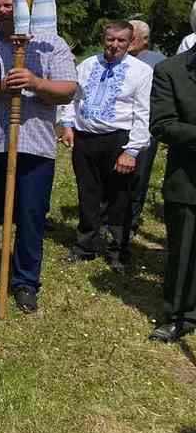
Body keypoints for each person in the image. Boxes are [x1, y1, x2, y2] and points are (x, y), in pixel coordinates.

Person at [0, 0, 78, 312]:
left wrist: (35, 83)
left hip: (35, 145)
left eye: (8, 4)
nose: (1, 10)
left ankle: (25, 282)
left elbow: (68, 89)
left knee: (30, 217)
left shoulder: (49, 44)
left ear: (24, 5)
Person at [60, 21, 152, 272]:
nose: (115, 45)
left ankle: (118, 251)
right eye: (110, 39)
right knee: (87, 192)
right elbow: (72, 97)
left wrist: (132, 151)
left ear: (131, 42)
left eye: (121, 40)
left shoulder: (141, 71)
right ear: (104, 39)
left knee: (120, 196)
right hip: (86, 138)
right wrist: (67, 125)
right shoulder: (88, 64)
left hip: (118, 139)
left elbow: (143, 114)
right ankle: (85, 246)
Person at [148, 46, 196, 341]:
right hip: (189, 181)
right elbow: (162, 125)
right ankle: (180, 314)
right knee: (185, 251)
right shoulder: (171, 71)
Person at [127, 19, 166, 240]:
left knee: (139, 177)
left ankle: (131, 222)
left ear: (144, 40)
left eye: (132, 37)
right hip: (120, 125)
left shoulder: (157, 61)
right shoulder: (117, 59)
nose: (127, 41)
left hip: (145, 127)